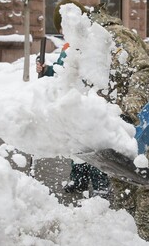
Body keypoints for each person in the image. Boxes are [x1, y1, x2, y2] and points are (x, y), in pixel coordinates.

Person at [69, 0, 149, 242]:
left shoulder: (112, 35)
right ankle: (126, 237)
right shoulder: (87, 45)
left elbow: (144, 71)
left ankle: (144, 244)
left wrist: (128, 112)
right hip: (134, 113)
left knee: (147, 177)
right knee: (120, 172)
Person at [36, 40, 111, 195]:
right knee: (77, 142)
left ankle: (100, 182)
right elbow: (62, 71)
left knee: (95, 142)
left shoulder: (94, 42)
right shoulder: (67, 47)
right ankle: (79, 179)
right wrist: (46, 69)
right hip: (74, 100)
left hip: (94, 100)